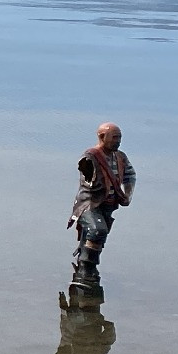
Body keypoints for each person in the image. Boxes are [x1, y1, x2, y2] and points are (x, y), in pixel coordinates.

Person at [67, 122, 135, 299]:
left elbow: (130, 175)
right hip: (89, 205)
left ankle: (89, 270)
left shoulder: (120, 157)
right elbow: (87, 178)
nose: (118, 141)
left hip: (108, 206)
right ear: (102, 137)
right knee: (97, 230)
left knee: (97, 237)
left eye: (119, 137)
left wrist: (127, 194)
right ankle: (85, 269)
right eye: (114, 137)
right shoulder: (91, 156)